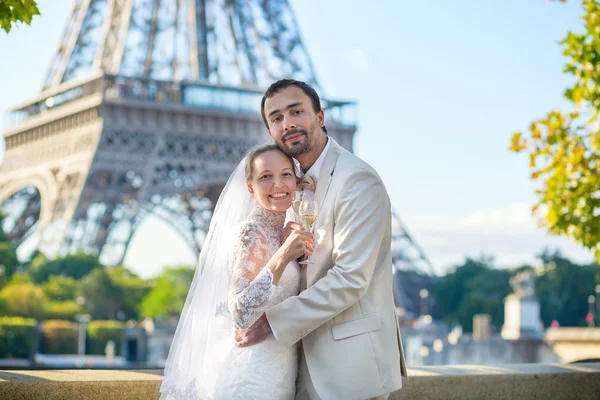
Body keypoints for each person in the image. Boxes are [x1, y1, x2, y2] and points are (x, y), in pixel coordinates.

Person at [234, 79, 408, 400]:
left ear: (320, 117)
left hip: (349, 368)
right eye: (276, 118)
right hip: (298, 365)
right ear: (271, 132)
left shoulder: (356, 179)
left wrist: (274, 322)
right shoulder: (293, 184)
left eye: (296, 111)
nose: (288, 124)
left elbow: (351, 279)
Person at [160, 144, 314, 399]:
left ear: (297, 181)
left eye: (286, 174)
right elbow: (241, 313)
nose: (278, 184)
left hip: (279, 374)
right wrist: (283, 256)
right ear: (251, 187)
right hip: (251, 376)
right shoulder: (251, 232)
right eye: (266, 177)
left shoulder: (283, 232)